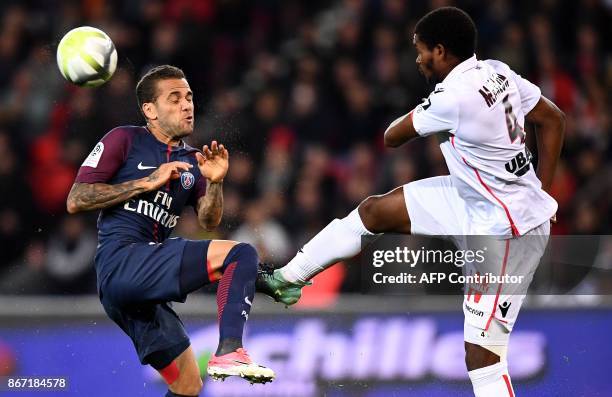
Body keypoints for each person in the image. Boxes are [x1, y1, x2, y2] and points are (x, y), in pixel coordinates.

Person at [258, 7, 565, 397]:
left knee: (482, 356)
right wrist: (543, 190)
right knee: (374, 211)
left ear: (441, 51)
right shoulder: (497, 71)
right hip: (475, 198)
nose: (417, 59)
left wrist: (538, 199)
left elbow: (391, 135)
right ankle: (289, 278)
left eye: (421, 51)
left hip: (506, 233)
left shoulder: (453, 96)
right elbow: (552, 119)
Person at [66, 65, 274, 397]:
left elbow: (208, 220)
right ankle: (229, 349)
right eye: (174, 98)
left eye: (189, 97)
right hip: (122, 261)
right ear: (150, 110)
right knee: (241, 253)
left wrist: (216, 182)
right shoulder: (125, 139)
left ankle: (227, 353)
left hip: (140, 290)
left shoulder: (193, 160)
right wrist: (146, 181)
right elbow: (77, 199)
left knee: (187, 385)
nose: (186, 105)